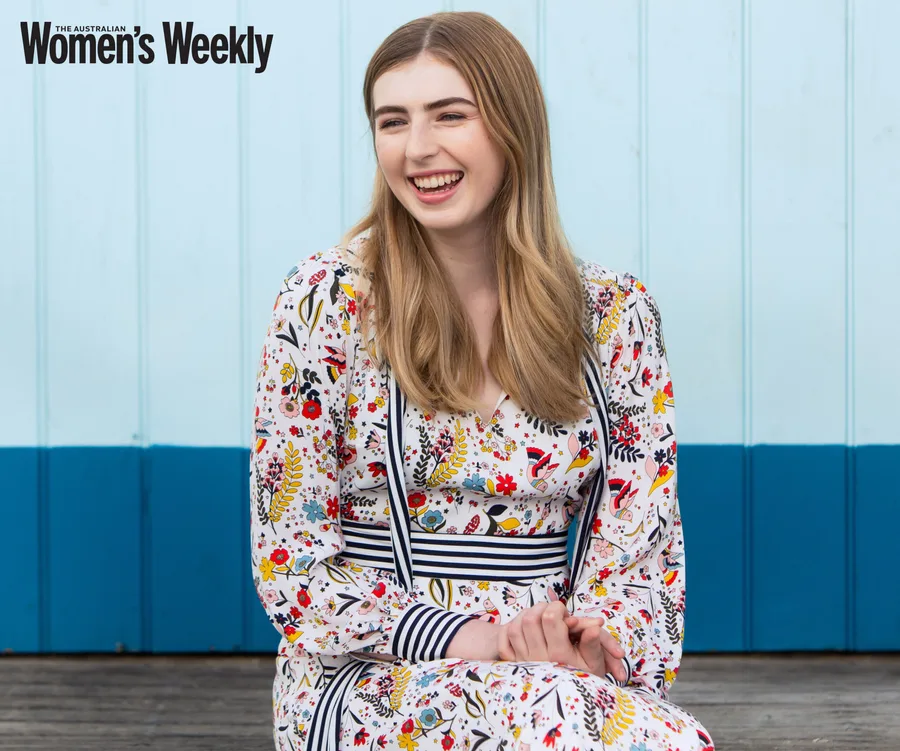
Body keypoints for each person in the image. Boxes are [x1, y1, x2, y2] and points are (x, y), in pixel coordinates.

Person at [250, 11, 714, 751]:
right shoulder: (324, 302)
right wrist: (478, 639)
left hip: (557, 679)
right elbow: (292, 560)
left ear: (511, 125)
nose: (418, 148)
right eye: (392, 121)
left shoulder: (613, 318)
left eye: (450, 115)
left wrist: (589, 644)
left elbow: (641, 558)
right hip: (369, 676)